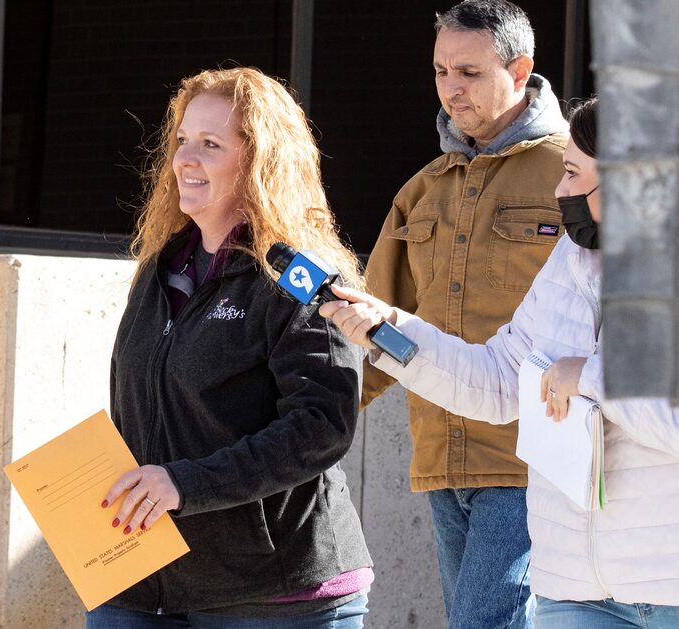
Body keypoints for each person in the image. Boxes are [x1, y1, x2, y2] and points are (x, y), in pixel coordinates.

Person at [321, 98, 679, 628]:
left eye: (575, 174)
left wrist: (589, 376)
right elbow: (500, 380)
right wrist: (388, 330)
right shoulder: (568, 260)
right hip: (571, 593)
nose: (560, 190)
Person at [88, 67, 373, 628]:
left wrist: (185, 484)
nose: (185, 160)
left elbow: (321, 425)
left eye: (211, 145)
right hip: (143, 583)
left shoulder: (299, 276)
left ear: (261, 162)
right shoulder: (160, 269)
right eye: (181, 142)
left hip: (272, 592)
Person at [360, 1, 569, 627]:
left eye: (470, 73)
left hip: (531, 457)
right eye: (441, 71)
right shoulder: (422, 190)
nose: (452, 88)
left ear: (521, 68)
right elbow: (372, 329)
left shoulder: (576, 174)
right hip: (440, 458)